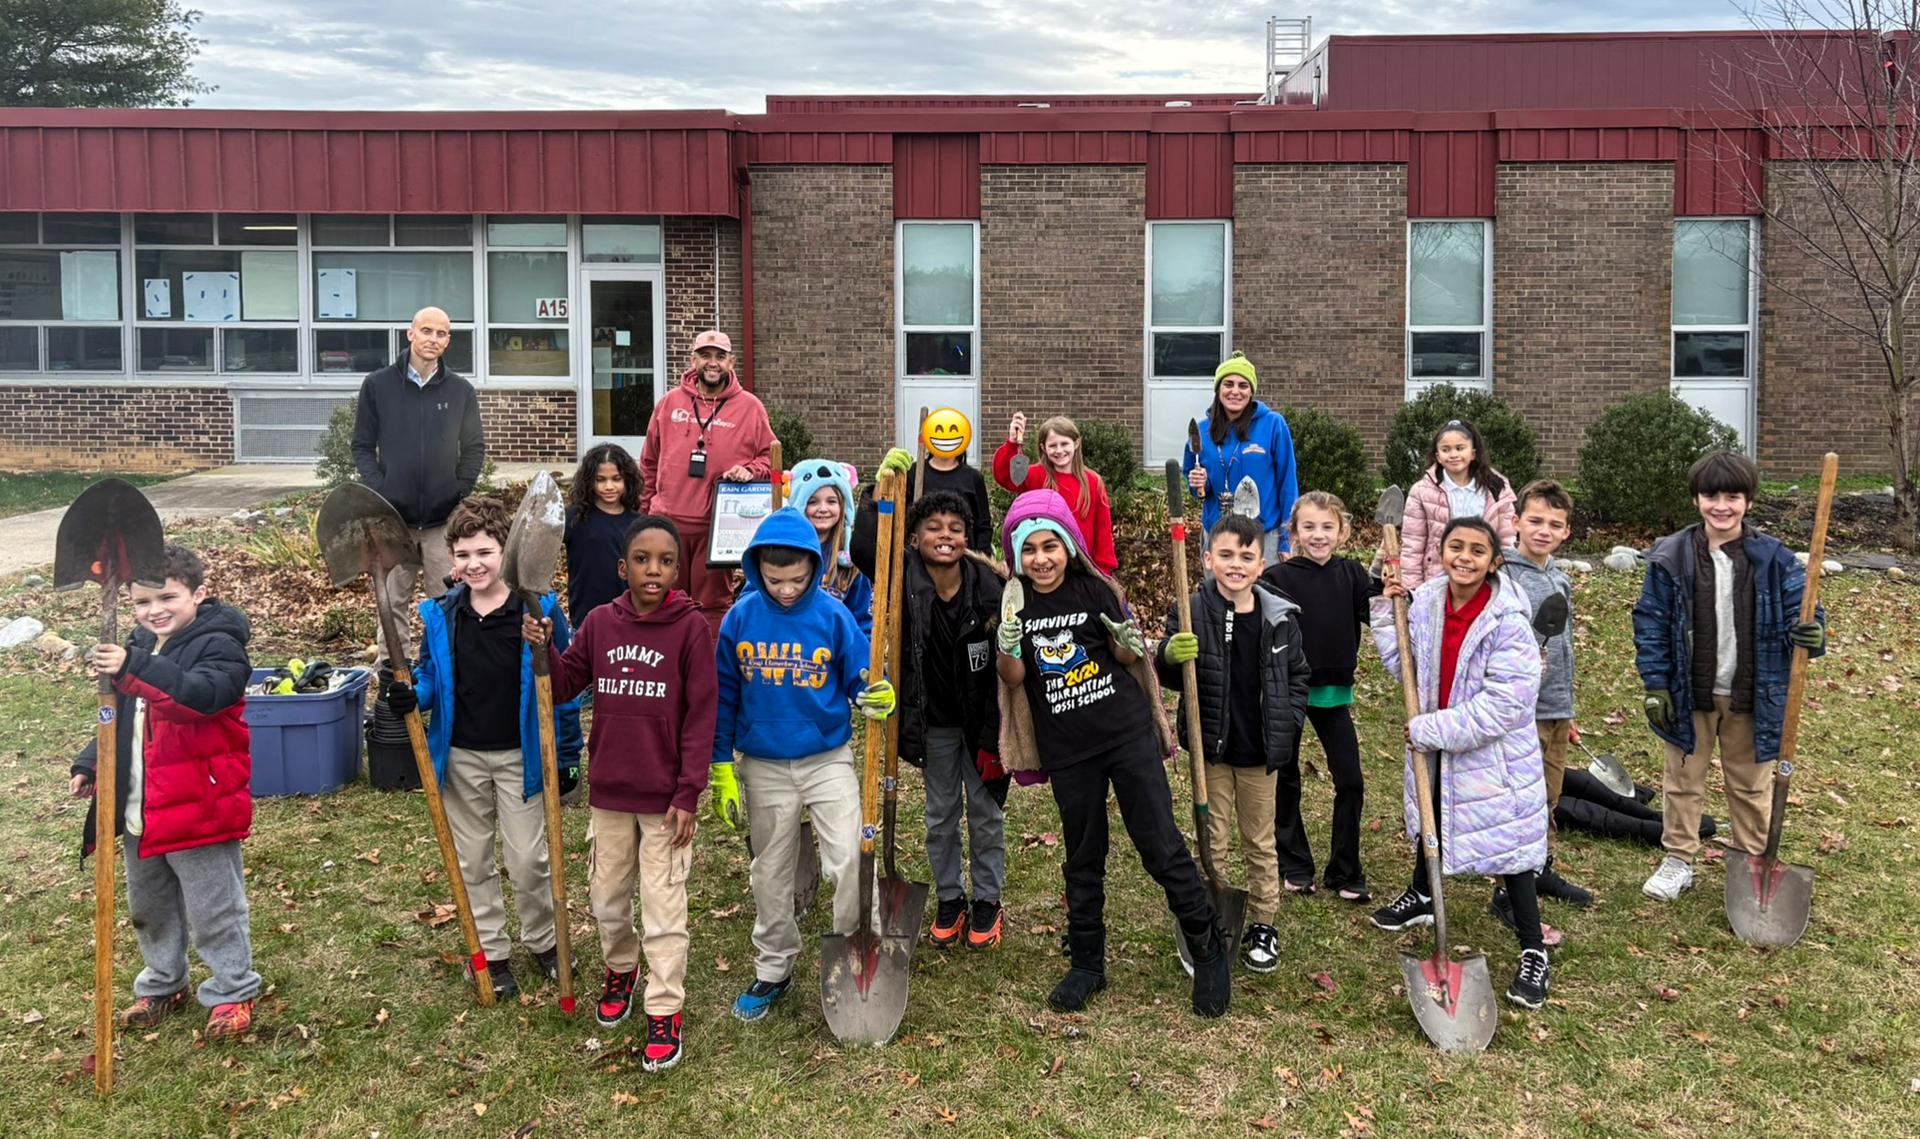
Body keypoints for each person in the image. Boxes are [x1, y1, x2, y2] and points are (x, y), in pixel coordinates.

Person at [995, 488, 1229, 1018]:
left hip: (1123, 735)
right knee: (1082, 853)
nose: (1041, 559)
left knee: (1159, 845)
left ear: (1069, 547)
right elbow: (1013, 680)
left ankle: (1207, 945)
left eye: (1050, 546)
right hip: (1069, 750)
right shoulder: (1015, 602)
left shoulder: (1094, 590)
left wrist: (1128, 636)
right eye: (1029, 550)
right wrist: (1008, 646)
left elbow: (1125, 655)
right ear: (1016, 555)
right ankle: (1087, 962)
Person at [527, 516, 714, 1072]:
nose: (652, 570)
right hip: (609, 792)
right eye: (641, 559)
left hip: (665, 802)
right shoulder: (600, 624)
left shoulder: (690, 629)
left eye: (663, 561)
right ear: (621, 566)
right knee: (607, 901)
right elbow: (564, 685)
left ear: (677, 570)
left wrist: (688, 793)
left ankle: (664, 1007)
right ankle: (621, 967)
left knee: (662, 908)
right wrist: (542, 649)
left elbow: (702, 716)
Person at [384, 497, 584, 999]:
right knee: (472, 860)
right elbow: (430, 676)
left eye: (486, 551)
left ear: (507, 552)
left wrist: (565, 754)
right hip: (462, 758)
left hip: (522, 758)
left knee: (527, 861)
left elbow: (560, 690)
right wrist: (414, 695)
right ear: (451, 557)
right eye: (463, 553)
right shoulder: (441, 614)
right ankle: (492, 951)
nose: (474, 563)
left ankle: (542, 940)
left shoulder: (537, 609)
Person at [708, 506, 894, 1023]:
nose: (786, 590)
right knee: (771, 872)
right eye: (774, 580)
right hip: (764, 765)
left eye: (796, 579)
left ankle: (859, 955)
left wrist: (872, 692)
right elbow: (723, 696)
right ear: (756, 570)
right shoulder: (739, 618)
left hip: (826, 759)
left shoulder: (832, 616)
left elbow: (860, 675)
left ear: (814, 567)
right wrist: (721, 764)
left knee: (851, 860)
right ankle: (774, 967)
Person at [70, 544, 262, 1039]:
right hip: (142, 804)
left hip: (198, 801)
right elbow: (121, 714)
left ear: (198, 593)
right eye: (141, 601)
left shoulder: (220, 643)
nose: (154, 610)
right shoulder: (138, 644)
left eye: (167, 597)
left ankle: (233, 989)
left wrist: (133, 664)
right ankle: (163, 982)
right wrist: (94, 761)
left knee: (212, 906)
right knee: (149, 906)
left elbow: (199, 698)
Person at [1367, 516, 1553, 1010]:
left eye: (1476, 550)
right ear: (1442, 551)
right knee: (1434, 818)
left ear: (1494, 561)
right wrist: (1387, 607)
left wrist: (1432, 729)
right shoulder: (1427, 600)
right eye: (1455, 547)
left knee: (1511, 851)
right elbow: (1399, 656)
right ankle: (1423, 896)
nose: (1464, 557)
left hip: (1494, 762)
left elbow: (1504, 707)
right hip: (1438, 747)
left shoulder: (1508, 620)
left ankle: (1533, 949)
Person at [1634, 451, 1826, 902]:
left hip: (1753, 694)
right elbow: (1651, 622)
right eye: (1711, 495)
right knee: (1683, 780)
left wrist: (1813, 632)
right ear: (1696, 499)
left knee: (1750, 785)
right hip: (1690, 692)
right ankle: (1678, 859)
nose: (1722, 506)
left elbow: (1807, 611)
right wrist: (1656, 683)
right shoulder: (1671, 556)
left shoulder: (1773, 559)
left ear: (1749, 502)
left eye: (1733, 497)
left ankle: (1751, 863)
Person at [853, 468, 1008, 950]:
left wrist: (995, 739)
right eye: (934, 528)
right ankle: (950, 897)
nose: (945, 536)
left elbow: (1006, 671)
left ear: (968, 538)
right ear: (914, 538)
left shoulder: (990, 588)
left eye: (956, 529)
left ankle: (987, 901)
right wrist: (875, 497)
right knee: (940, 816)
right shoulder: (904, 579)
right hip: (934, 724)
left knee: (985, 814)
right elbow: (863, 551)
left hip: (982, 724)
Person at [1155, 514, 1309, 973]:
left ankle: (1263, 920)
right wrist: (1168, 653)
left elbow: (1298, 676)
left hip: (1261, 751)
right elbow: (1166, 673)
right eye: (1225, 555)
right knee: (1213, 836)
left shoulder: (1279, 618)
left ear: (1261, 564)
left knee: (1260, 840)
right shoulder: (1192, 610)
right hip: (1212, 752)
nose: (1236, 564)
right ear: (1207, 559)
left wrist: (1290, 721)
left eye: (1246, 557)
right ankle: (1209, 915)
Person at [1260, 491, 1380, 901]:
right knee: (1285, 778)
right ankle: (1295, 863)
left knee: (1351, 781)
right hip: (1289, 693)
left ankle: (1345, 869)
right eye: (1308, 527)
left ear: (1342, 531)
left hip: (1334, 695)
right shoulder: (1276, 580)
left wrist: (1395, 592)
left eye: (1327, 527)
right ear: (1293, 533)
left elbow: (1379, 613)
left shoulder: (1353, 575)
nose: (1318, 535)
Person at [350, 305, 486, 660]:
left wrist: (459, 491)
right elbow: (362, 445)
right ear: (410, 334)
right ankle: (395, 674)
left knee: (449, 602)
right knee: (391, 602)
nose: (433, 340)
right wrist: (382, 490)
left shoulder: (460, 391)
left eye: (441, 334)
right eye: (427, 331)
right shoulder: (378, 386)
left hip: (443, 522)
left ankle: (445, 672)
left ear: (449, 341)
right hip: (394, 521)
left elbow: (473, 448)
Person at [638, 330, 775, 639]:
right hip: (666, 524)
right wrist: (645, 515)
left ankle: (708, 675)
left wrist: (750, 469)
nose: (712, 363)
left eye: (720, 356)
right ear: (693, 360)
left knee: (712, 607)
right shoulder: (669, 403)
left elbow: (770, 460)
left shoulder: (750, 408)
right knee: (661, 599)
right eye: (705, 355)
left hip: (716, 529)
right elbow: (648, 462)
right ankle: (666, 671)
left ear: (731, 362)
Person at [1499, 479, 1593, 909]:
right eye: (1534, 520)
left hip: (1555, 705)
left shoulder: (1559, 577)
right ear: (1516, 522)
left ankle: (1539, 867)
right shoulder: (1503, 576)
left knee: (1550, 794)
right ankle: (1508, 888)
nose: (1543, 530)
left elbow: (1564, 644)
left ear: (1566, 532)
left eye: (1554, 524)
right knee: (1523, 796)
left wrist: (1568, 708)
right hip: (1522, 710)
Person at [1183, 352, 1300, 560]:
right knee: (1219, 593)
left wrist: (1286, 538)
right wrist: (1199, 484)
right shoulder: (1201, 431)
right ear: (1218, 389)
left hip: (1264, 536)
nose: (1235, 391)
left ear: (1251, 391)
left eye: (1243, 385)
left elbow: (1287, 484)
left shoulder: (1273, 424)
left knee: (1263, 593)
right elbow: (1197, 491)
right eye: (1228, 384)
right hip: (1218, 536)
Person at [743, 458, 873, 636]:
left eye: (831, 501)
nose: (823, 508)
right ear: (799, 503)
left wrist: (861, 658)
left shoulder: (851, 559)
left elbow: (861, 621)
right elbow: (748, 602)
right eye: (812, 501)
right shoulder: (776, 550)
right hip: (782, 646)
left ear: (844, 506)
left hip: (832, 652)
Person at [992, 414, 1118, 574]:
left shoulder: (1093, 481)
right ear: (1044, 448)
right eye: (1052, 445)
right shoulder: (1035, 475)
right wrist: (1012, 442)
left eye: (1064, 444)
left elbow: (1103, 529)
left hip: (1082, 568)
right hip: (1044, 567)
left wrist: (1104, 570)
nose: (1059, 450)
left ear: (1076, 443)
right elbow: (1006, 477)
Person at [1400, 418, 1516, 590]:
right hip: (1437, 578)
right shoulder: (1421, 491)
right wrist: (1412, 587)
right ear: (1438, 457)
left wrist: (1506, 579)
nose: (1453, 455)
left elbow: (1506, 539)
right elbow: (1413, 543)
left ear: (1473, 453)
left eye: (1460, 448)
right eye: (1446, 450)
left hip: (1484, 578)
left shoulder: (1496, 488)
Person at [563, 442, 644, 631]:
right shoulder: (574, 518)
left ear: (627, 480)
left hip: (629, 619)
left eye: (616, 479)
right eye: (600, 479)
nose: (609, 486)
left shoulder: (638, 524)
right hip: (585, 619)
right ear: (589, 481)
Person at [904, 409, 994, 555]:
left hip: (963, 560)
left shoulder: (973, 477)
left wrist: (981, 563)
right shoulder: (915, 473)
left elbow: (983, 526)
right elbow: (904, 520)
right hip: (921, 560)